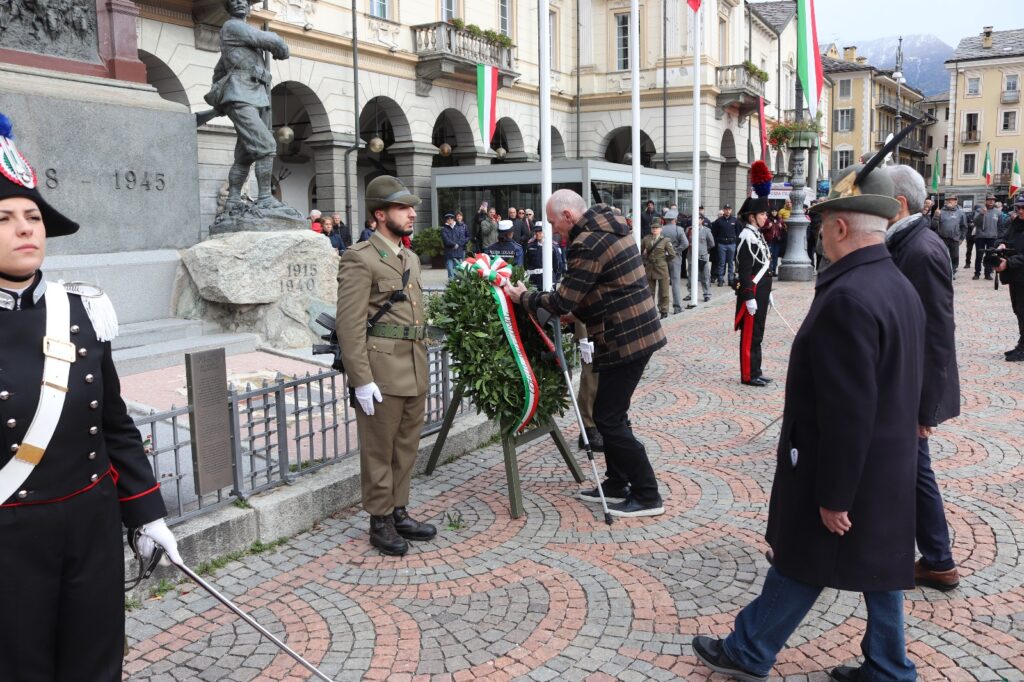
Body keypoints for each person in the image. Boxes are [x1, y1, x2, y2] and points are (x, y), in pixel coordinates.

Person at [693, 163, 925, 682]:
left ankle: (749, 649)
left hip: (845, 465)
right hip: (885, 462)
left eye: (822, 225)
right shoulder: (893, 282)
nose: (817, 233)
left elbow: (848, 409)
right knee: (879, 564)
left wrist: (835, 493)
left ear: (841, 228)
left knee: (803, 557)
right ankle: (889, 667)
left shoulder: (849, 296)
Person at [0, 116, 180, 680]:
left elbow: (115, 424)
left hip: (91, 524)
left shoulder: (79, 311)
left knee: (96, 661)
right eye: (4, 218)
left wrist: (146, 511)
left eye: (32, 216)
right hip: (8, 539)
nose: (25, 228)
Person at [503, 190, 666, 518]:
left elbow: (564, 301)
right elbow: (598, 288)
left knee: (608, 417)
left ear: (568, 216)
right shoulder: (609, 224)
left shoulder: (587, 242)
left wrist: (524, 298)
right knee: (612, 414)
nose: (553, 230)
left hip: (625, 336)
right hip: (631, 331)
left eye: (553, 223)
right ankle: (618, 482)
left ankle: (648, 494)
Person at [336, 175, 436, 556]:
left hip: (414, 365)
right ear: (379, 214)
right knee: (379, 449)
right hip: (381, 370)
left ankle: (399, 510)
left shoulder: (409, 257)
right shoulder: (359, 258)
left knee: (406, 446)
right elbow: (349, 325)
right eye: (402, 208)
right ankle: (379, 520)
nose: (412, 213)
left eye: (411, 208)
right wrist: (360, 379)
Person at [886, 165, 962, 591]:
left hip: (910, 392)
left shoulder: (922, 250)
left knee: (914, 473)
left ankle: (939, 560)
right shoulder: (908, 242)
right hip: (901, 386)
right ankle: (938, 559)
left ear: (899, 205)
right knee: (914, 474)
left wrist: (925, 408)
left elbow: (937, 335)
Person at [203, 0, 289, 213]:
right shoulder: (233, 26)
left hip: (253, 95)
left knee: (245, 155)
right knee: (266, 145)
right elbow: (265, 38)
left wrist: (223, 97)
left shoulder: (236, 40)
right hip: (242, 95)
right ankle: (265, 198)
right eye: (234, 0)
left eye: (244, 0)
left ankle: (232, 200)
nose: (240, 3)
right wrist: (281, 46)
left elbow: (219, 71)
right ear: (227, 7)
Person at [734, 197, 774, 387]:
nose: (766, 217)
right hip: (753, 292)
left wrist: (768, 292)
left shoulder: (757, 235)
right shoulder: (746, 237)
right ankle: (748, 375)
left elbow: (762, 266)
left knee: (758, 332)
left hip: (761, 290)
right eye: (762, 214)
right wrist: (749, 297)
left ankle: (756, 370)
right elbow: (744, 272)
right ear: (752, 217)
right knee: (750, 334)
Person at [994, 196, 1024, 361]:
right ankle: (1022, 344)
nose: (1020, 210)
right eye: (1018, 207)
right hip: (1016, 276)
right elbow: (1004, 237)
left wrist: (1009, 263)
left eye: (1023, 208)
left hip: (1019, 273)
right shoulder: (1015, 223)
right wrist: (1002, 244)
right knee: (1019, 310)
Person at [640, 218, 676, 319]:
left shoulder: (665, 240)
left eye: (657, 228)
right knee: (649, 292)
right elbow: (640, 251)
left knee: (663, 292)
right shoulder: (646, 239)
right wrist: (644, 262)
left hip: (661, 268)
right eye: (653, 228)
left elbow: (672, 254)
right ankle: (650, 311)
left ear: (661, 229)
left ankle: (664, 311)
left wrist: (663, 261)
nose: (655, 229)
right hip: (650, 269)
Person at [660, 209, 689, 314]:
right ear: (674, 220)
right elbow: (685, 244)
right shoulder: (679, 229)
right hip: (675, 258)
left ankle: (663, 308)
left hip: (662, 257)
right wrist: (676, 250)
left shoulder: (661, 229)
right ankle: (677, 307)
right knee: (675, 282)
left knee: (663, 283)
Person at [933, 195, 968, 278]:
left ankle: (953, 272)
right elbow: (933, 225)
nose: (949, 201)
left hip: (955, 238)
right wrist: (936, 216)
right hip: (942, 238)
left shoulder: (960, 212)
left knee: (954, 257)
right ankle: (943, 272)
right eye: (948, 200)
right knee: (942, 256)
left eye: (952, 200)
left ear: (956, 202)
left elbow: (964, 226)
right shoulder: (940, 211)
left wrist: (962, 238)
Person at [524, 222, 565, 289]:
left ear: (545, 232)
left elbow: (558, 264)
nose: (537, 233)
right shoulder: (530, 245)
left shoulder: (553, 246)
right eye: (536, 231)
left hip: (548, 278)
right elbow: (526, 262)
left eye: (540, 231)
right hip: (533, 279)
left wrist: (554, 277)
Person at [686, 214, 715, 302]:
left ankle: (706, 294)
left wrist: (703, 250)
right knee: (691, 276)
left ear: (702, 220)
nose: (695, 220)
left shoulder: (706, 230)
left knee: (705, 276)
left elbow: (711, 243)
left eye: (698, 219)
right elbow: (685, 240)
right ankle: (691, 293)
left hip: (702, 256)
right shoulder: (689, 229)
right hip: (691, 256)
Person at [972, 195, 1000, 280]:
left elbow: (1000, 225)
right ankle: (977, 273)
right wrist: (981, 214)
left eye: (993, 200)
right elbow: (976, 222)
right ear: (986, 201)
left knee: (990, 256)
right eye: (989, 200)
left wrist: (999, 236)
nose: (991, 201)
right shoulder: (979, 210)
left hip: (992, 237)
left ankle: (987, 274)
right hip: (980, 236)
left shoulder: (997, 212)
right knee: (979, 255)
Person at [712, 203, 740, 286]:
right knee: (721, 263)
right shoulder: (719, 221)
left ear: (731, 210)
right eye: (726, 209)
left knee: (731, 263)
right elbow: (714, 233)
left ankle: (730, 279)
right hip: (722, 244)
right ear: (723, 210)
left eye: (729, 209)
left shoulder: (735, 221)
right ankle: (720, 279)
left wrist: (736, 242)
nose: (727, 211)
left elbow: (738, 233)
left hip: (732, 244)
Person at [440, 212, 469, 280]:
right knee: (450, 269)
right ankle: (451, 284)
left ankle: (457, 284)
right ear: (446, 220)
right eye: (448, 219)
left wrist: (458, 244)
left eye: (451, 219)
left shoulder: (458, 228)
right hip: (449, 253)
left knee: (457, 270)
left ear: (453, 220)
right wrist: (454, 244)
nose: (450, 220)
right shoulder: (444, 229)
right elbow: (446, 240)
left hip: (458, 252)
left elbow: (462, 238)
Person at [761, 207, 786, 276]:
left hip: (777, 241)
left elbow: (784, 230)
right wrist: (768, 227)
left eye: (775, 211)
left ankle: (774, 271)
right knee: (769, 256)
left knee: (775, 256)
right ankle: (769, 271)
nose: (774, 212)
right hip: (769, 240)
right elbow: (762, 229)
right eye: (773, 211)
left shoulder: (780, 220)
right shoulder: (767, 220)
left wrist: (781, 227)